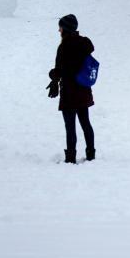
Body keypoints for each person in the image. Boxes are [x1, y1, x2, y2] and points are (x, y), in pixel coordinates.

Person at [47, 14, 96, 163]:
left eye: (60, 27)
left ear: (65, 29)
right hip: (83, 89)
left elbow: (61, 69)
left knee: (70, 127)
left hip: (69, 91)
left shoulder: (64, 46)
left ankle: (70, 158)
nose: (59, 30)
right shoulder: (85, 43)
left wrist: (52, 75)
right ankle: (91, 155)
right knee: (86, 123)